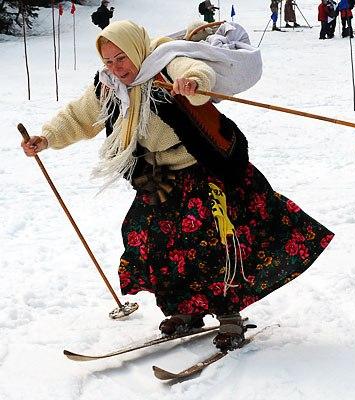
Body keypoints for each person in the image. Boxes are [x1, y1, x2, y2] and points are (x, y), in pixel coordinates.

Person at [20, 20, 334, 352]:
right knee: (150, 239)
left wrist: (193, 83)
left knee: (213, 244)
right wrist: (47, 138)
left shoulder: (165, 63)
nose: (116, 67)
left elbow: (194, 69)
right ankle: (187, 309)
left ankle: (229, 315)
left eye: (121, 58)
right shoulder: (109, 85)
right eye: (108, 61)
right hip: (160, 178)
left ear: (136, 49)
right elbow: (78, 116)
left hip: (202, 169)